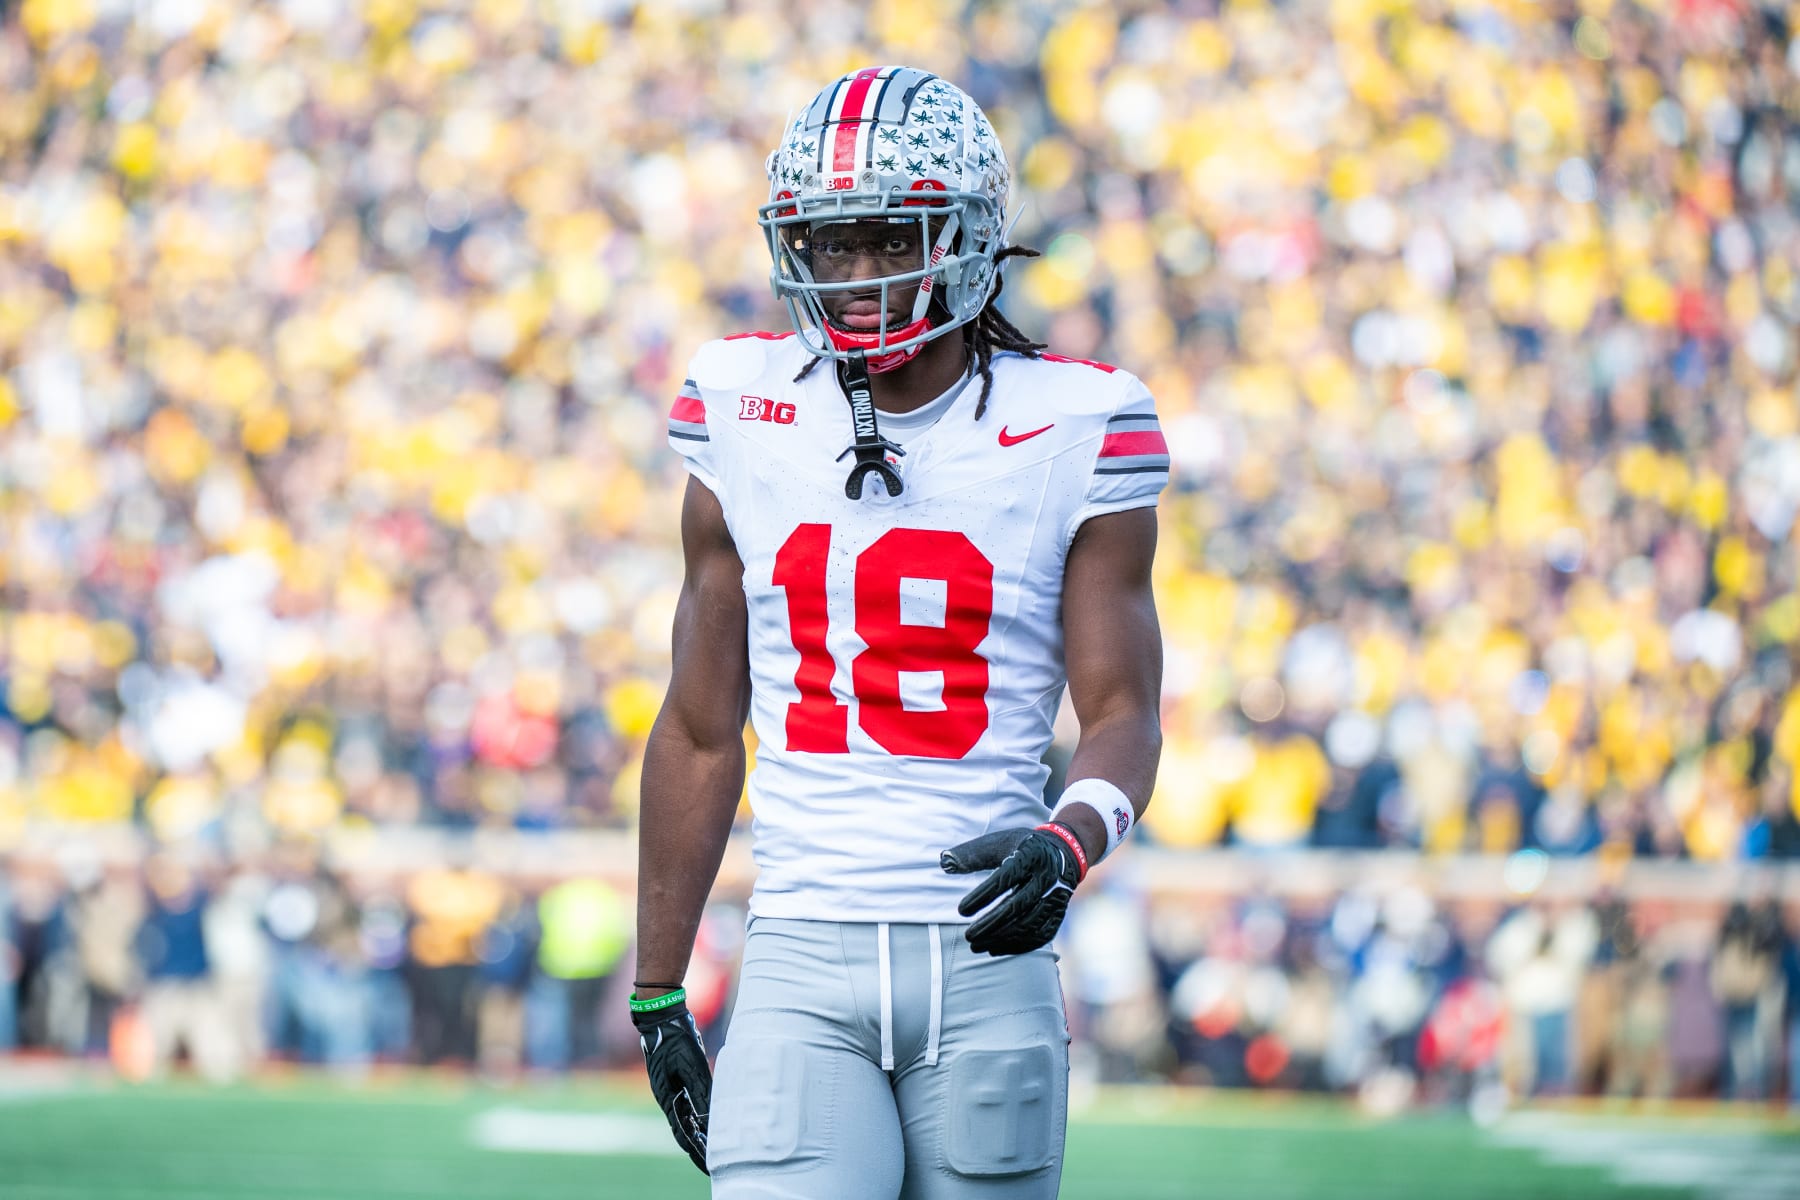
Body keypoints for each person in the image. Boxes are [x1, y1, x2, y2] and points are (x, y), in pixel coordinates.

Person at [629, 65, 1165, 1197]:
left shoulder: (1077, 421)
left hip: (989, 960)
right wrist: (658, 988)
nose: (859, 275)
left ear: (969, 235)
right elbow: (696, 729)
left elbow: (1122, 711)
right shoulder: (742, 407)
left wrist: (1070, 841)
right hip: (799, 956)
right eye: (831, 245)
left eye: (889, 238)